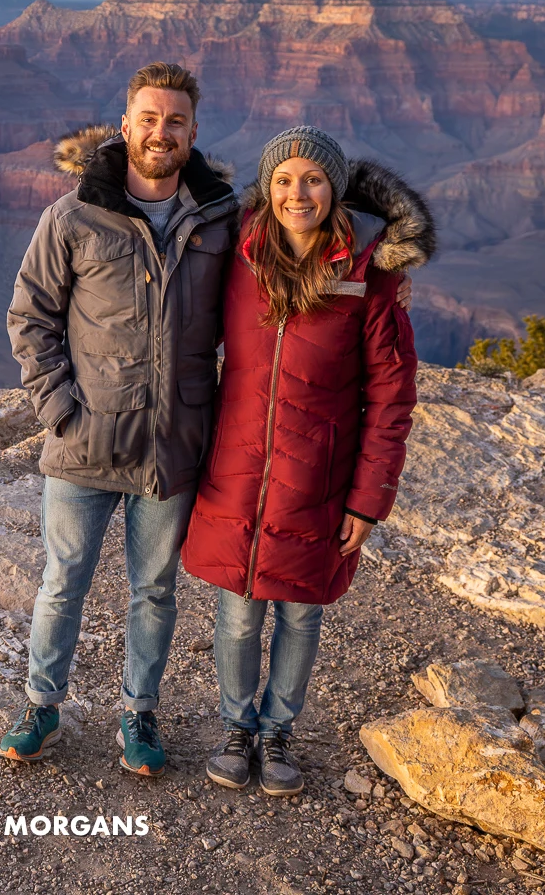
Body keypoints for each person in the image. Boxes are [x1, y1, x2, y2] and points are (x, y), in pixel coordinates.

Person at [0, 62, 239, 777]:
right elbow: (30, 317)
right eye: (148, 118)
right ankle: (42, 704)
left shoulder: (222, 217)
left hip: (172, 445)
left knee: (155, 590)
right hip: (85, 442)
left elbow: (296, 256)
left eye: (175, 121)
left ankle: (139, 712)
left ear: (193, 133)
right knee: (62, 579)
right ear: (125, 123)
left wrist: (383, 273)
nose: (160, 132)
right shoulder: (73, 216)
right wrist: (60, 410)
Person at [182, 125, 432, 797]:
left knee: (300, 610)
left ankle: (277, 731)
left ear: (336, 189)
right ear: (267, 189)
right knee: (236, 612)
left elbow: (390, 397)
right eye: (285, 179)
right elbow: (150, 207)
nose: (299, 192)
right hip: (235, 468)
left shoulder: (371, 278)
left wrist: (367, 499)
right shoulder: (234, 254)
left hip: (319, 480)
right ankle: (238, 727)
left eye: (314, 179)